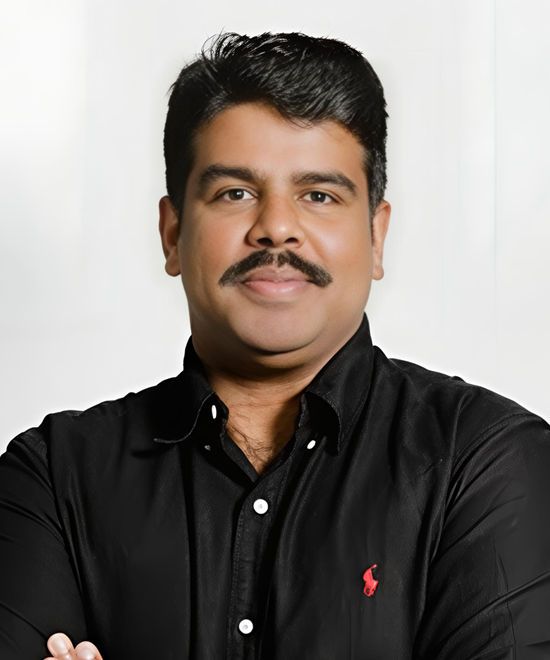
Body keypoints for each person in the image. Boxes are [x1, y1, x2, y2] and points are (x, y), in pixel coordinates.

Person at [1, 31, 549, 660]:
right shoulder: (54, 476)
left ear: (376, 237)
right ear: (173, 233)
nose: (277, 228)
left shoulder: (486, 463)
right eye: (235, 193)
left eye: (319, 195)